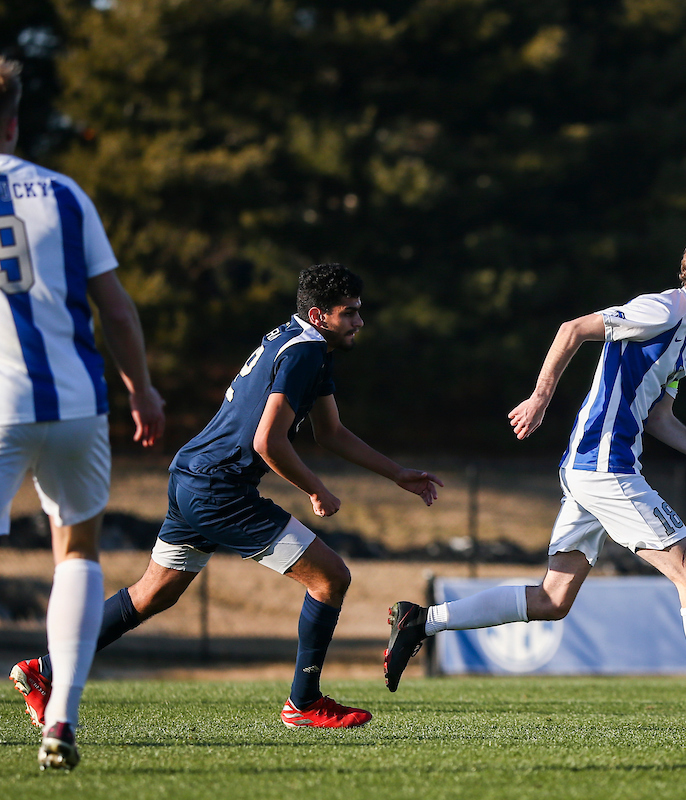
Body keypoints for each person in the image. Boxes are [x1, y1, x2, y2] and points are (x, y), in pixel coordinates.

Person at [11, 263, 443, 732]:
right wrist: (315, 489)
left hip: (191, 477)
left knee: (151, 594)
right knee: (330, 577)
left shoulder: (300, 343)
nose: (360, 321)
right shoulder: (305, 353)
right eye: (350, 313)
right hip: (220, 490)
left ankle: (43, 670)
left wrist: (397, 474)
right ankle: (303, 703)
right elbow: (267, 442)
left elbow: (331, 432)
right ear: (320, 316)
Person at [383, 224, 686, 731]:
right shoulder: (663, 309)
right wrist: (540, 397)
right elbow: (572, 329)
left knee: (552, 600)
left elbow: (658, 418)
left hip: (594, 469)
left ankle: (420, 621)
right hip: (605, 468)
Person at [0, 57, 166, 771]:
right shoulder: (65, 194)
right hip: (75, 404)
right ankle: (61, 716)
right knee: (76, 553)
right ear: (13, 122)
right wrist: (143, 390)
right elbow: (117, 310)